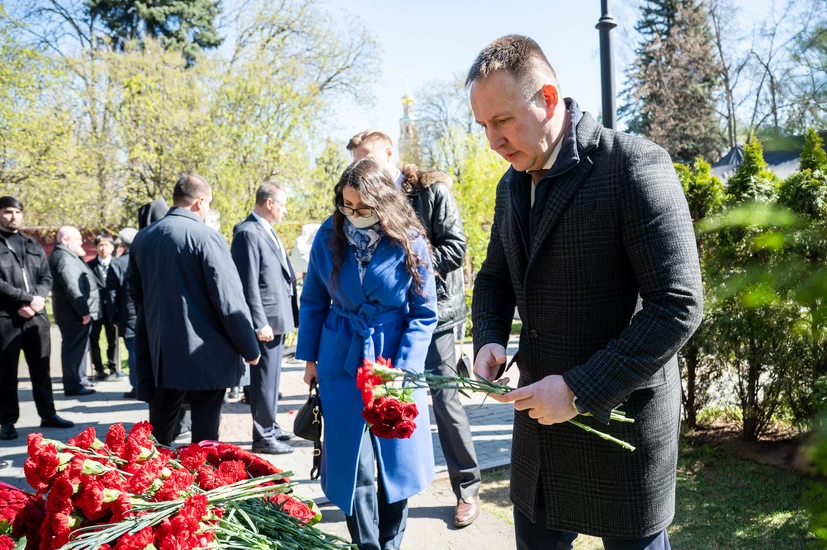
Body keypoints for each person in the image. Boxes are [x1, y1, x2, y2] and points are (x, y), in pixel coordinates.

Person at [468, 36, 704, 550]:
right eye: (483, 125)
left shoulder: (634, 164)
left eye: (502, 120)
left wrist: (578, 390)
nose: (492, 141)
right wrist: (488, 338)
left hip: (622, 428)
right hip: (539, 437)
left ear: (548, 98)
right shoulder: (510, 185)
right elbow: (493, 279)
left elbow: (678, 304)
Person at [296, 159, 437, 550]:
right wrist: (310, 359)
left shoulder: (409, 238)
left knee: (396, 460)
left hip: (393, 358)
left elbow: (424, 314)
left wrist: (405, 369)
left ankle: (390, 543)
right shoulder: (329, 235)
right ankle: (367, 545)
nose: (354, 215)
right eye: (347, 205)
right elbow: (313, 299)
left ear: (383, 203)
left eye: (363, 208)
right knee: (350, 461)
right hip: (340, 354)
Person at [349, 130, 482, 527]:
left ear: (389, 153)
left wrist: (410, 265)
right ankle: (394, 487)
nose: (361, 166)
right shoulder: (360, 200)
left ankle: (467, 488)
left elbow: (455, 248)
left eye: (367, 157)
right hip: (387, 324)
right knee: (387, 400)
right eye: (355, 161)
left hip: (433, 315)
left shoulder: (430, 190)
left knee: (444, 401)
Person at [128, 174, 261, 446]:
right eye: (208, 204)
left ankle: (158, 471)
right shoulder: (206, 237)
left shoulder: (143, 237)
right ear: (199, 201)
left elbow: (136, 293)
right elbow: (228, 299)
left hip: (160, 351)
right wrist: (250, 347)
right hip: (205, 353)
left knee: (160, 432)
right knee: (205, 437)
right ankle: (201, 473)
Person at [231, 182, 298, 455]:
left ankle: (270, 425)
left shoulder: (266, 229)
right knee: (263, 381)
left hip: (276, 318)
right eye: (283, 204)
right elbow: (248, 283)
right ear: (269, 203)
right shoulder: (247, 232)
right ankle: (263, 435)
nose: (285, 210)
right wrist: (259, 322)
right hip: (266, 321)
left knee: (272, 380)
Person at [0, 197, 74, 440]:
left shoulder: (31, 243)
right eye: (8, 211)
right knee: (6, 371)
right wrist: (26, 299)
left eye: (17, 212)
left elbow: (46, 277)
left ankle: (48, 413)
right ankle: (7, 420)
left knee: (41, 369)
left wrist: (36, 300)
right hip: (6, 317)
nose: (13, 216)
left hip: (36, 317)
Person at [49, 226, 101, 397]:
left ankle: (79, 381)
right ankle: (73, 385)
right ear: (65, 240)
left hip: (73, 313)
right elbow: (73, 287)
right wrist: (84, 312)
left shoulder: (68, 255)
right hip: (73, 314)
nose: (81, 242)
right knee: (73, 350)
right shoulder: (65, 258)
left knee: (78, 349)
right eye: (77, 239)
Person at [107, 228, 139, 398]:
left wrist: (113, 316)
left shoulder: (118, 263)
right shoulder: (147, 259)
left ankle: (137, 386)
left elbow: (112, 294)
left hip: (128, 313)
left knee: (133, 351)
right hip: (147, 311)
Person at [87, 233, 119, 381]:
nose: (103, 248)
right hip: (95, 309)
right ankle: (98, 368)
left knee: (113, 339)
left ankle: (113, 366)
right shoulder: (89, 266)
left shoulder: (117, 265)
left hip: (112, 309)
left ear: (112, 247)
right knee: (94, 339)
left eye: (106, 245)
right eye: (100, 245)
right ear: (96, 247)